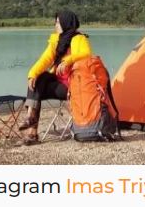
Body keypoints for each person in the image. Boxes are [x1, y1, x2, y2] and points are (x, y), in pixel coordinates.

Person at [19, 10, 92, 145]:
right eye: (56, 22)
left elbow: (86, 54)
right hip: (57, 83)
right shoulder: (56, 40)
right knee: (38, 80)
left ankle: (31, 126)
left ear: (66, 23)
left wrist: (68, 60)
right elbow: (45, 59)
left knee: (39, 84)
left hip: (71, 86)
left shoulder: (79, 38)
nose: (55, 25)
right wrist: (32, 74)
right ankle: (31, 124)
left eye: (58, 22)